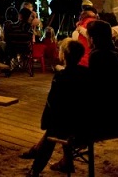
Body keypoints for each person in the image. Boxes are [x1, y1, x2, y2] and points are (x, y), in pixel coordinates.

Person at [25, 39, 90, 176]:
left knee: (53, 130)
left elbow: (52, 103)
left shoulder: (61, 77)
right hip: (85, 122)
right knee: (63, 120)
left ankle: (36, 169)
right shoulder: (86, 73)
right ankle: (64, 162)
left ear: (64, 55)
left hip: (70, 126)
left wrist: (45, 122)